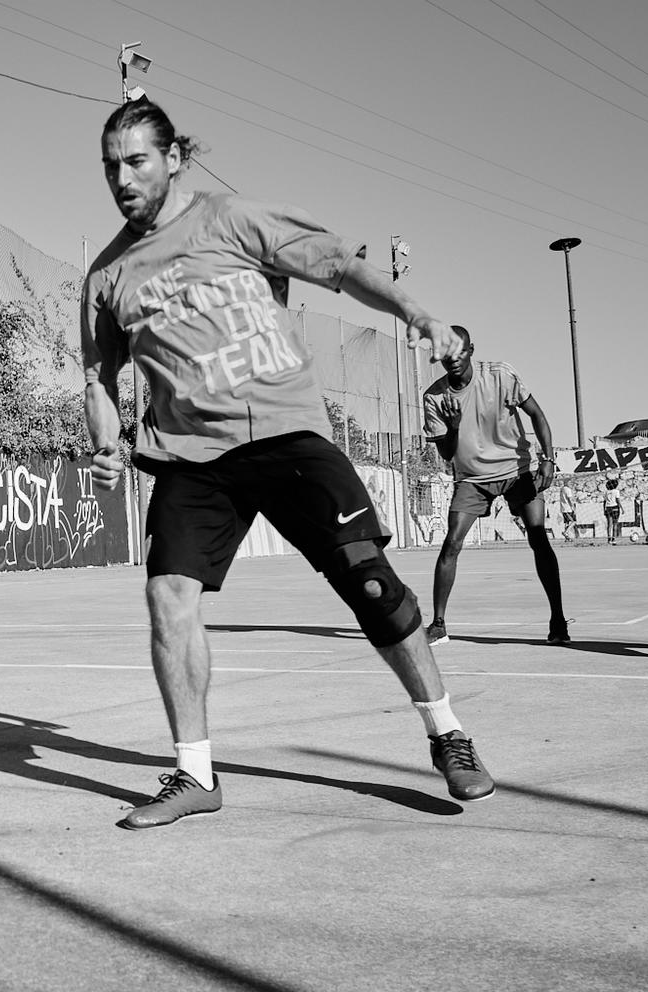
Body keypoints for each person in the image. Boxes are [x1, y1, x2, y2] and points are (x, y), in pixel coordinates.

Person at [81, 98, 494, 829]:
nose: (122, 177)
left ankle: (447, 733)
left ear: (174, 158)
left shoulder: (231, 219)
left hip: (284, 431)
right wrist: (107, 443)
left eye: (136, 160)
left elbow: (338, 264)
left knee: (370, 583)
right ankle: (194, 773)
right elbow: (99, 378)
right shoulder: (108, 276)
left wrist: (417, 313)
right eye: (111, 165)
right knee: (167, 597)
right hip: (193, 456)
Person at [421, 327, 569, 645]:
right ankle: (438, 624)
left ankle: (558, 620)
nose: (454, 359)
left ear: (471, 350)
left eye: (460, 352)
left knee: (538, 538)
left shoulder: (499, 375)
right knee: (451, 544)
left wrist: (548, 459)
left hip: (519, 469)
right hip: (472, 479)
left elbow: (537, 415)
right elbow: (446, 454)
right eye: (447, 354)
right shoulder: (434, 397)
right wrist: (454, 426)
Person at [602, 479, 623, 543]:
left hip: (608, 508)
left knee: (609, 524)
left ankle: (609, 538)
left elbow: (604, 502)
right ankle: (613, 539)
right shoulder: (616, 491)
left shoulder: (606, 492)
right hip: (615, 507)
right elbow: (618, 500)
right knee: (615, 524)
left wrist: (604, 510)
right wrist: (622, 508)